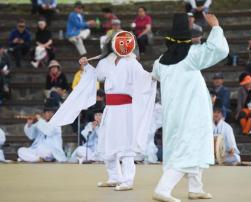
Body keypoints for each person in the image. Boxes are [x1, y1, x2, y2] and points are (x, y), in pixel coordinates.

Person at [50, 31, 156, 191]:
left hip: (125, 110)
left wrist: (155, 75)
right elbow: (97, 76)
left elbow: (145, 79)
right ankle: (114, 177)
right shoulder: (106, 62)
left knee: (126, 144)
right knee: (107, 142)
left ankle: (127, 180)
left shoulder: (133, 64)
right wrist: (86, 66)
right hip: (110, 109)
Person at [151, 13, 229, 202]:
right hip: (192, 111)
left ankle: (195, 188)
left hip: (173, 113)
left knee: (193, 145)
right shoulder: (192, 56)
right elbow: (218, 49)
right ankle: (162, 189)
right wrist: (216, 26)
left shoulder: (160, 61)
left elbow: (155, 76)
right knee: (188, 148)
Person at [17, 99, 67, 163]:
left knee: (45, 152)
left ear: (54, 113)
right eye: (46, 112)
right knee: (21, 150)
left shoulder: (56, 124)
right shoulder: (40, 123)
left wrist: (39, 119)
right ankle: (37, 159)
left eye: (50, 112)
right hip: (37, 150)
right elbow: (31, 136)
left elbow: (49, 131)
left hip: (50, 151)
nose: (47, 114)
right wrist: (29, 124)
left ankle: (30, 159)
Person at [213, 99, 240, 165]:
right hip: (210, 153)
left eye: (218, 112)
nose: (216, 114)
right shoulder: (207, 126)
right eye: (214, 112)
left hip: (223, 153)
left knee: (235, 158)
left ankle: (215, 160)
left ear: (222, 114)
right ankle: (214, 160)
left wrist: (232, 149)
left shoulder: (227, 127)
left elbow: (231, 143)